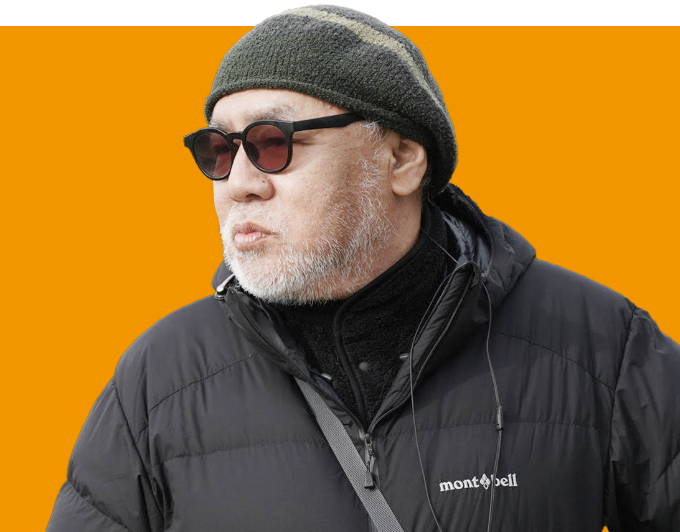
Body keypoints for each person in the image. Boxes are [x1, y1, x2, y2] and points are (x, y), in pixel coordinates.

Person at [47, 6, 679, 532]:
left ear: (401, 160)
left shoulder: (603, 345)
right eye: (219, 150)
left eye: (273, 143)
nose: (237, 184)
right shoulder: (159, 379)